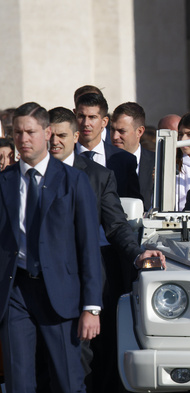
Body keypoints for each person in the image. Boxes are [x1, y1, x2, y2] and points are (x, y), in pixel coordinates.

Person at [48, 106, 164, 392]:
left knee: (87, 359)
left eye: (61, 135)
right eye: (49, 135)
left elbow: (116, 225)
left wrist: (137, 254)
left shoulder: (98, 176)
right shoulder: (26, 175)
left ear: (75, 136)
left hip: (87, 279)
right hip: (39, 283)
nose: (54, 142)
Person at [0, 102, 102, 392]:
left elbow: (88, 246)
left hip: (60, 293)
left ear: (47, 133)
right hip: (15, 293)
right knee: (18, 383)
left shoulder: (73, 180)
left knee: (68, 382)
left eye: (30, 132)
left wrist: (91, 307)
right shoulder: (4, 182)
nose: (23, 139)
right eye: (17, 132)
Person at [75, 93, 143, 201]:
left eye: (92, 117)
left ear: (104, 122)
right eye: (81, 116)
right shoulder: (63, 157)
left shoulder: (124, 161)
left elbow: (133, 203)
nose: (86, 123)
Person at [110, 102, 155, 211]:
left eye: (122, 131)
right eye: (112, 130)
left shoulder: (157, 163)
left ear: (139, 131)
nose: (115, 136)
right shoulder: (103, 162)